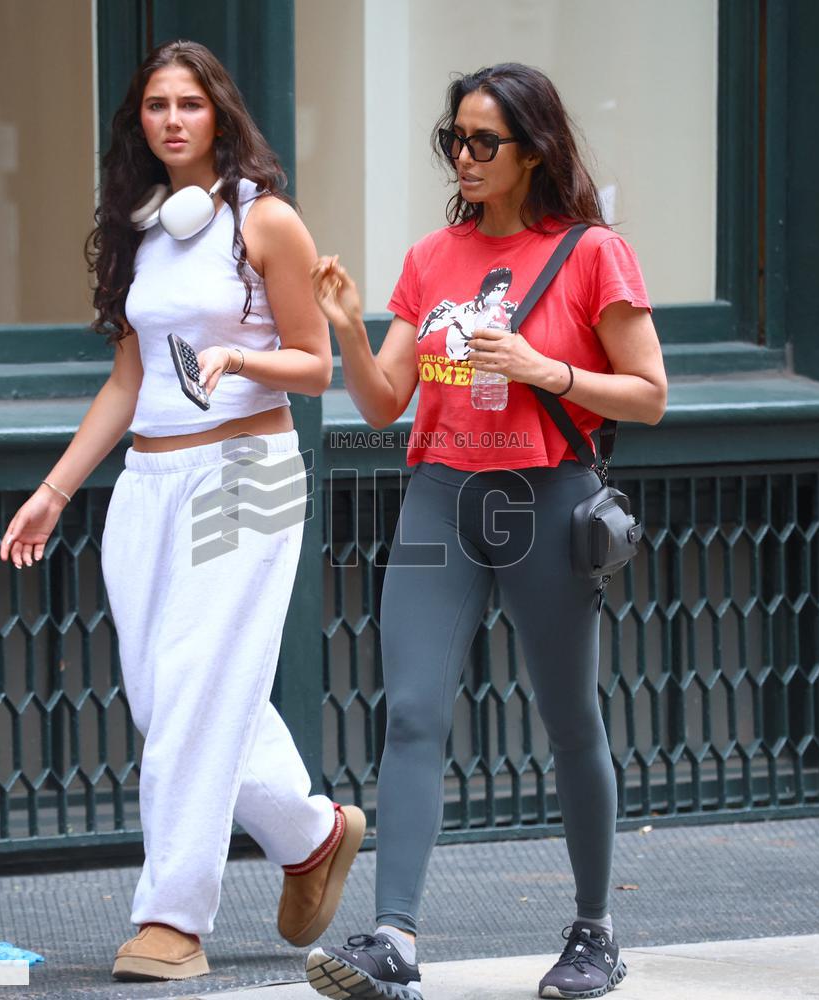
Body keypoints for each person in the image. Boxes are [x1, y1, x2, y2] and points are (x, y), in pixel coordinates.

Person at [0, 39, 364, 982]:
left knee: (199, 688)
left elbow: (316, 365)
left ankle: (172, 919)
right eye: (156, 104)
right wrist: (55, 490)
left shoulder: (265, 221)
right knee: (172, 698)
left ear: (220, 116)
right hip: (149, 484)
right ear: (141, 122)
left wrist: (239, 360)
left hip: (248, 469)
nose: (171, 119)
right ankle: (310, 832)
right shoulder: (143, 226)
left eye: (189, 105)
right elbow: (128, 378)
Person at [307, 63, 666, 1000]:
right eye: (453, 140)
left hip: (546, 499)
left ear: (532, 151)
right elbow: (385, 402)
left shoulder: (593, 254)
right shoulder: (431, 259)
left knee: (569, 718)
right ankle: (394, 941)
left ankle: (595, 931)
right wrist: (348, 326)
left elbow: (651, 395)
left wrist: (546, 369)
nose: (463, 158)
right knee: (415, 710)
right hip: (441, 498)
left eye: (482, 142)